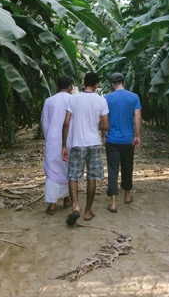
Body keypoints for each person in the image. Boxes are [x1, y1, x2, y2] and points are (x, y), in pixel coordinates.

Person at [61, 71, 109, 226]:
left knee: (73, 176)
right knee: (92, 177)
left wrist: (63, 145)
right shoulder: (101, 101)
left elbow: (66, 123)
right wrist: (99, 128)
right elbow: (106, 125)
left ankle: (75, 206)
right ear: (96, 85)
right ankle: (88, 212)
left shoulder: (73, 99)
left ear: (84, 83)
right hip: (94, 143)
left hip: (77, 143)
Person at [103, 72, 142, 213]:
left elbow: (104, 119)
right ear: (123, 82)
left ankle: (113, 203)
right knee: (127, 166)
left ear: (112, 84)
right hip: (127, 139)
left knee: (113, 170)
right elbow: (137, 118)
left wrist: (104, 135)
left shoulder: (106, 98)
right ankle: (127, 195)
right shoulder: (134, 97)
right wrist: (137, 136)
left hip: (112, 139)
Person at [41, 76, 73, 215]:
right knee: (68, 169)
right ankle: (67, 200)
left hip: (53, 140)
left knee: (53, 171)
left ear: (57, 86)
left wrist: (49, 138)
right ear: (70, 87)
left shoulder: (49, 101)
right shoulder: (73, 100)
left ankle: (52, 204)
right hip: (70, 139)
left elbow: (45, 122)